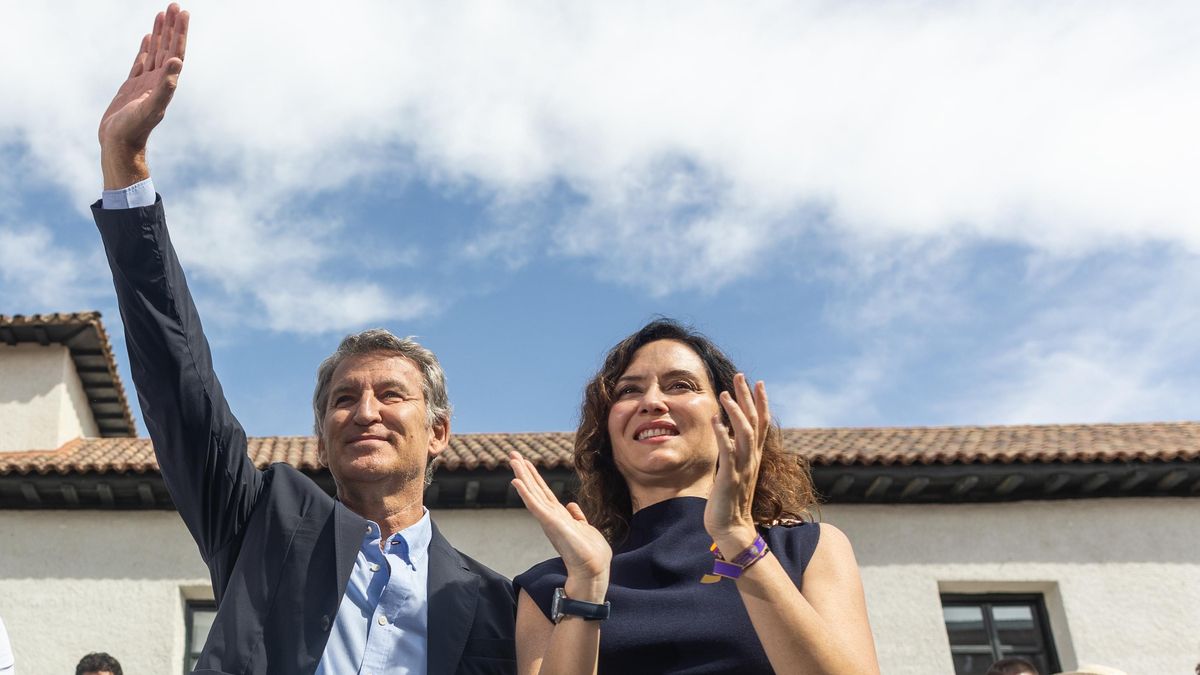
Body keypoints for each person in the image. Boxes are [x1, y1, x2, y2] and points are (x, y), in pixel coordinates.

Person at [93, 5, 514, 674]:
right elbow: (181, 385)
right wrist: (126, 162)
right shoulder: (264, 525)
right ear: (320, 438)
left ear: (438, 431)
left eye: (390, 394)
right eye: (343, 399)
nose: (365, 410)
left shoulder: (496, 604)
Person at [507, 319, 880, 674]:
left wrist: (738, 539)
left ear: (730, 421)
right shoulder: (554, 583)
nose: (652, 402)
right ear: (606, 435)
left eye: (680, 385)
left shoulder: (806, 550)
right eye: (629, 391)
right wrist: (586, 587)